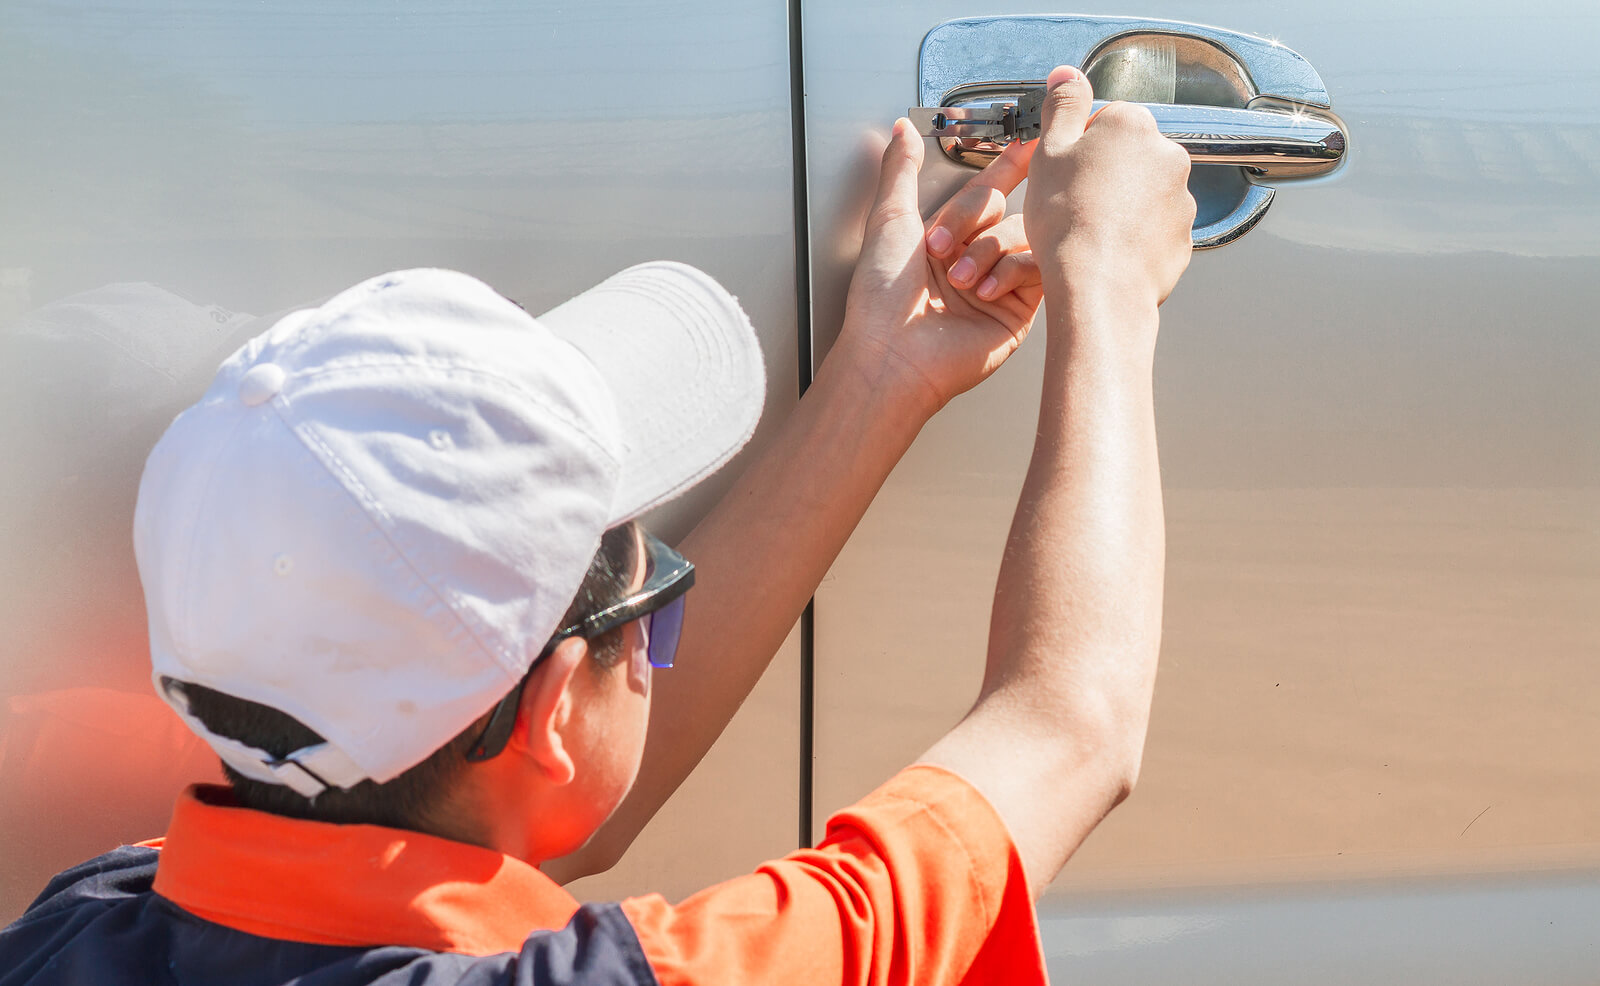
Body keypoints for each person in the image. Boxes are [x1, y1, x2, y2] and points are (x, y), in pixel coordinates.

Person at [0, 65, 1193, 986]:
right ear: (554, 708)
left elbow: (499, 828)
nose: (665, 611)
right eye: (653, 580)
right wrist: (1108, 284)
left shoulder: (80, 920)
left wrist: (878, 382)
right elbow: (1071, 725)